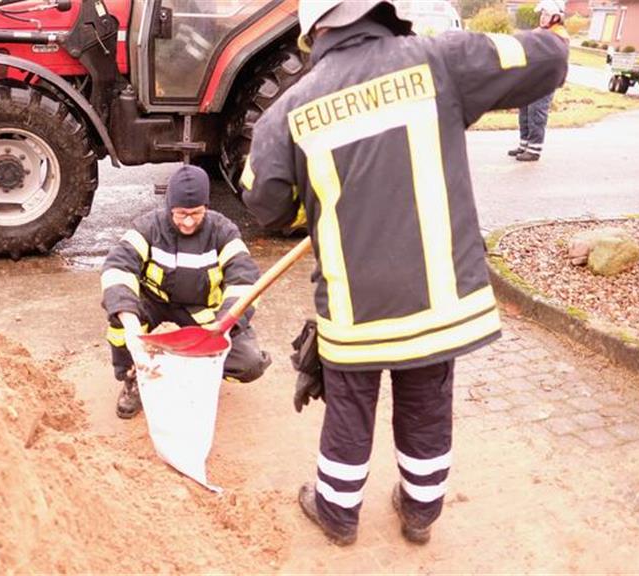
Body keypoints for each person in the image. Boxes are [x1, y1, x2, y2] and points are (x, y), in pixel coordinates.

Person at [240, 0, 568, 546]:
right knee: (426, 404)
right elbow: (545, 61)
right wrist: (552, 35)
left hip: (354, 311)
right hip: (439, 304)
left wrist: (313, 197)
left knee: (349, 409)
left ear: (314, 30)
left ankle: (338, 514)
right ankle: (420, 514)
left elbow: (265, 203)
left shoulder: (289, 110)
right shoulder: (441, 59)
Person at [100, 165, 272, 419]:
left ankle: (198, 371)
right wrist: (130, 323)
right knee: (120, 320)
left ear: (207, 207)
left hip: (204, 318)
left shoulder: (224, 232)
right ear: (169, 207)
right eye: (181, 214)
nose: (189, 221)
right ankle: (134, 376)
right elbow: (117, 267)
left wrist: (221, 326)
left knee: (249, 363)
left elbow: (245, 281)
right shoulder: (147, 228)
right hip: (155, 311)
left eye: (196, 213)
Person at [509, 0, 566, 162]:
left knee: (537, 113)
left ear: (556, 17)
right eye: (542, 14)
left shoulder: (559, 34)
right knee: (525, 112)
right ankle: (524, 144)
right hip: (531, 80)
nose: (542, 17)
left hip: (544, 81)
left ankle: (534, 149)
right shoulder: (540, 31)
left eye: (547, 14)